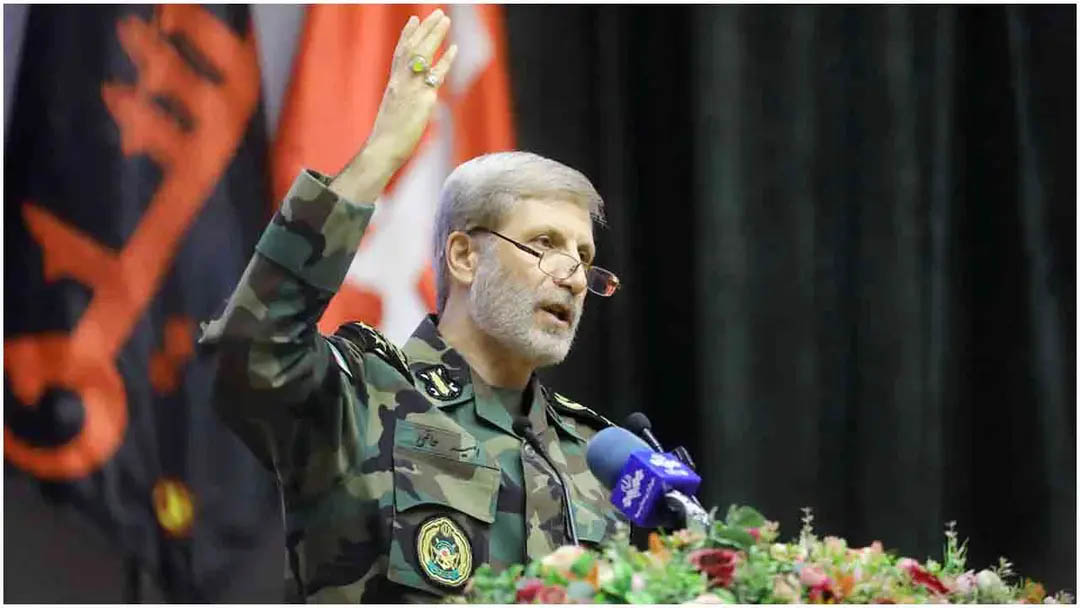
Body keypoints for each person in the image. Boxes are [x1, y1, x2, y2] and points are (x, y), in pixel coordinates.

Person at [200, 9, 626, 603]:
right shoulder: (358, 399)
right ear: (464, 257)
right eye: (544, 244)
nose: (574, 277)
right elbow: (252, 349)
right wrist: (380, 154)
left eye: (584, 257)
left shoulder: (597, 454)